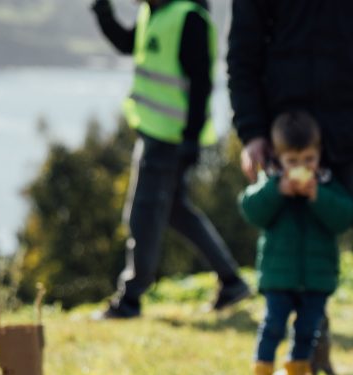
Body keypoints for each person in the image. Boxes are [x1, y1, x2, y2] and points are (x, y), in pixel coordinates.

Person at [227, 0, 353, 375]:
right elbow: (242, 52)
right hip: (290, 132)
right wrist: (252, 132)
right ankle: (311, 351)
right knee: (297, 229)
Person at [90, 0, 251, 320]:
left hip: (169, 139)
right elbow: (126, 43)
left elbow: (201, 84)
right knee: (176, 211)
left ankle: (131, 298)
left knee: (143, 215)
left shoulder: (187, 18)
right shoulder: (155, 12)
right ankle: (231, 281)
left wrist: (190, 140)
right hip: (156, 132)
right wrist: (103, 12)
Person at [239, 111, 353, 375]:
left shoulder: (327, 185)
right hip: (279, 277)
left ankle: (297, 374)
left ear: (319, 156)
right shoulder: (271, 183)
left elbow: (345, 216)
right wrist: (277, 191)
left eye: (308, 160)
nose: (301, 167)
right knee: (272, 327)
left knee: (307, 331)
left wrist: (318, 197)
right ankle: (262, 374)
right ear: (279, 159)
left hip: (316, 278)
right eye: (292, 161)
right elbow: (250, 209)